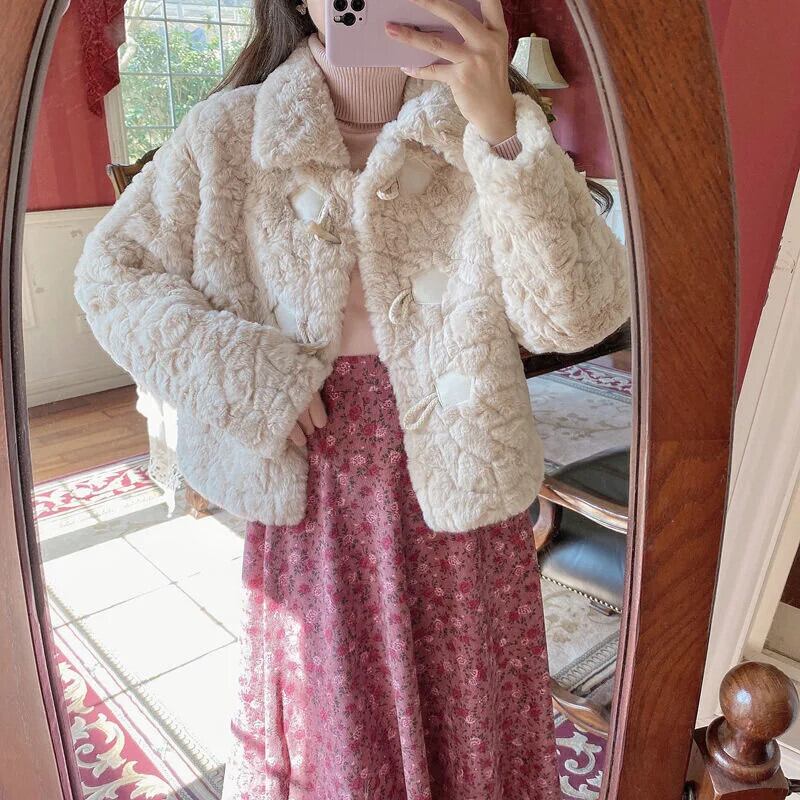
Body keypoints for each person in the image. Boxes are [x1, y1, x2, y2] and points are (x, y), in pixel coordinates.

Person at [73, 0, 630, 795]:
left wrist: (503, 131)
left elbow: (577, 314)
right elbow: (108, 278)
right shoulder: (229, 132)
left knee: (471, 710)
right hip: (315, 473)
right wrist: (249, 374)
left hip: (462, 469)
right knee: (335, 718)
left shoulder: (486, 121)